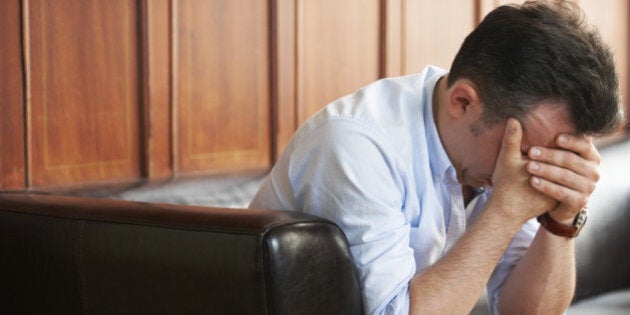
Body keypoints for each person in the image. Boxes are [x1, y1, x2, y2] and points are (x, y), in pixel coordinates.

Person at [249, 1, 625, 314]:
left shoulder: (501, 142)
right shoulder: (356, 144)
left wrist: (561, 221)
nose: (535, 171)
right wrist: (503, 214)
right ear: (463, 101)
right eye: (530, 153)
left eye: (561, 156)